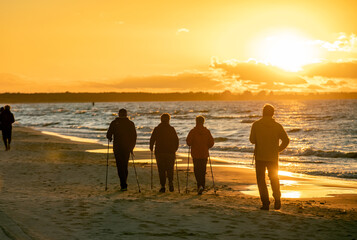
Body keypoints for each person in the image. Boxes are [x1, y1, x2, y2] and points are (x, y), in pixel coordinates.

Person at [249, 104, 289, 210]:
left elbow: (252, 140)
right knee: (274, 178)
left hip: (260, 156)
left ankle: (265, 203)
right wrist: (278, 149)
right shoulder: (277, 126)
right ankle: (277, 199)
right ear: (272, 114)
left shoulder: (256, 125)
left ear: (263, 113)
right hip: (273, 157)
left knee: (261, 180)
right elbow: (286, 140)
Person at [107, 108, 137, 191]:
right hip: (127, 147)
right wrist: (132, 147)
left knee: (120, 166)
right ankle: (124, 183)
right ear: (126, 114)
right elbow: (134, 136)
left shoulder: (114, 123)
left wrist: (110, 138)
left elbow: (108, 134)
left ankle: (123, 184)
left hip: (117, 147)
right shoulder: (130, 123)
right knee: (125, 165)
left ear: (119, 114)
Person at [150, 113, 179, 193]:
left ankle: (163, 186)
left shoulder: (157, 128)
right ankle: (170, 182)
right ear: (169, 120)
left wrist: (151, 148)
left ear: (161, 120)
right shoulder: (171, 129)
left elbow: (152, 139)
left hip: (159, 152)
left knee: (161, 170)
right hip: (170, 152)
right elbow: (176, 141)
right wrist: (174, 150)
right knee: (170, 169)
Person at [186, 116, 214, 195]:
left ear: (196, 122)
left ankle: (200, 186)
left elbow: (188, 142)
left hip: (195, 154)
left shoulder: (193, 131)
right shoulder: (207, 131)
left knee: (197, 171)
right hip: (204, 153)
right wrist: (207, 146)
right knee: (203, 170)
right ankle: (202, 186)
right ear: (203, 122)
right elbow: (211, 142)